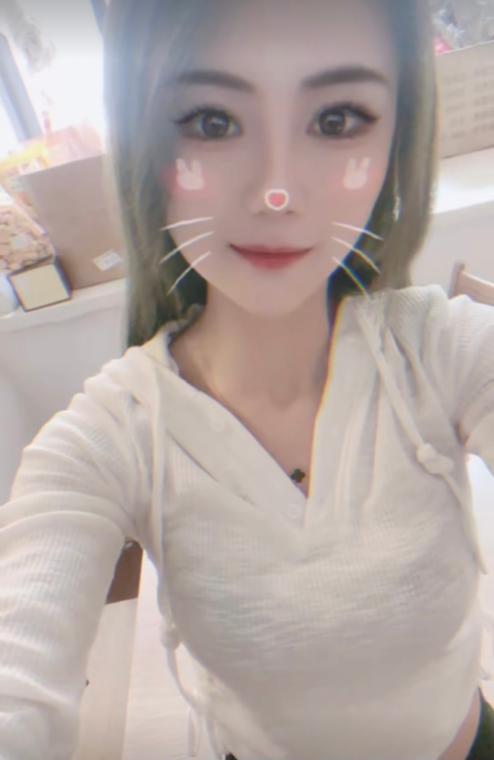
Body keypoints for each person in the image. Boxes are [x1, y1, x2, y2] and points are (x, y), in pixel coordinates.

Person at [1, 1, 494, 758]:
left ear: (398, 137)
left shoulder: (444, 351)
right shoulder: (112, 438)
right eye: (211, 121)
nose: (276, 193)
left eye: (336, 120)